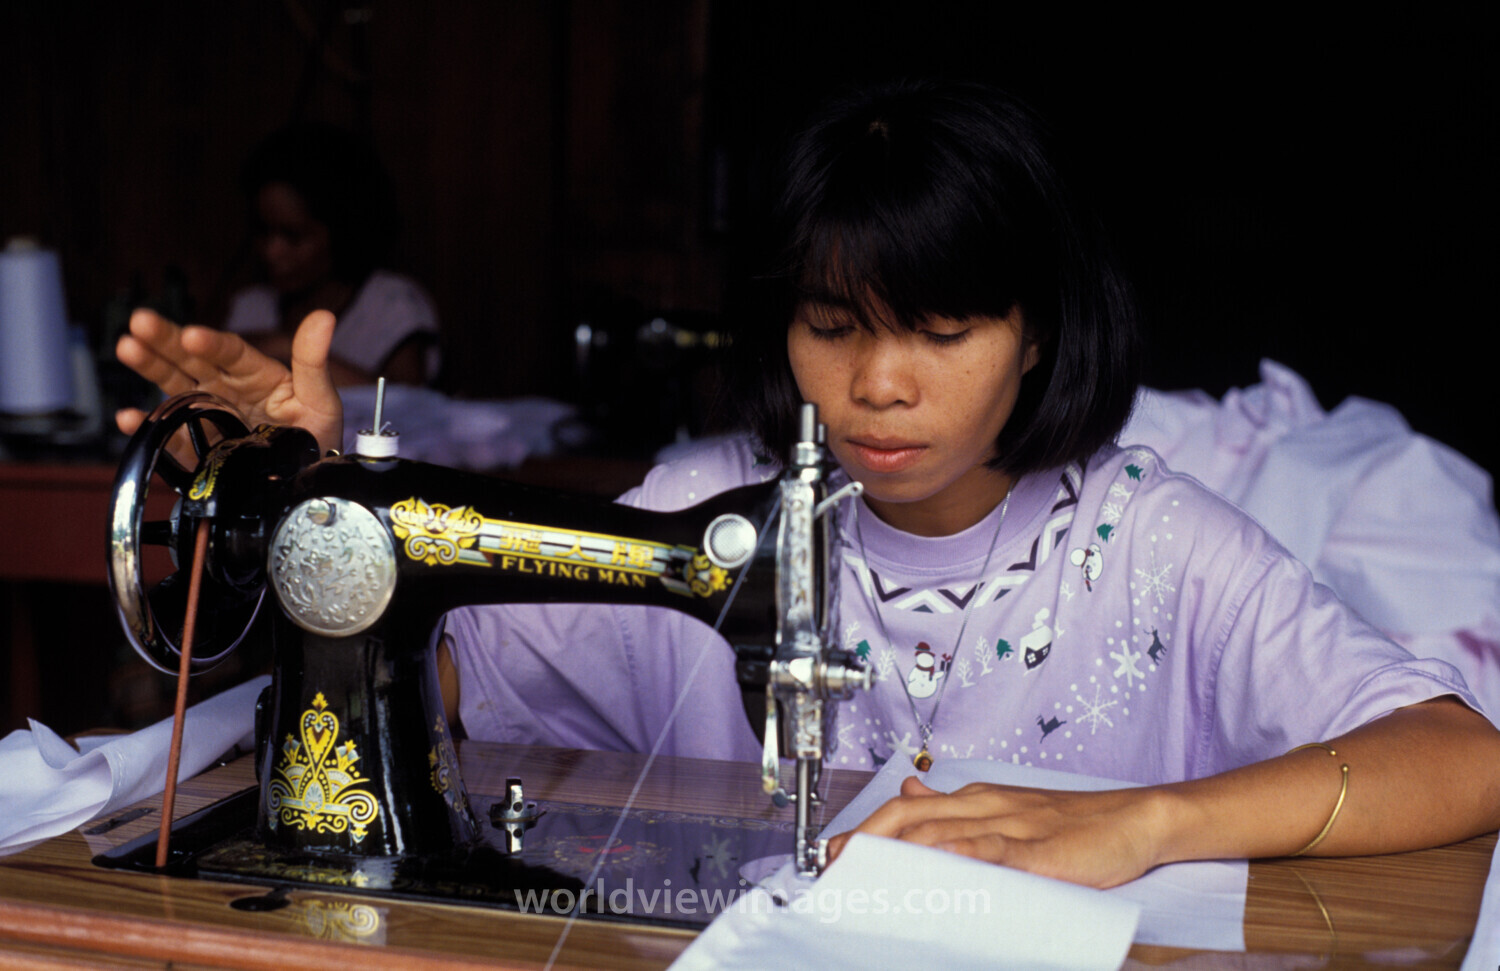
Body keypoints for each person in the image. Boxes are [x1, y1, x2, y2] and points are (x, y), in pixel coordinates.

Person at [114, 80, 1500, 891]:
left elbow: (1463, 755)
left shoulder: (1152, 545)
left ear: (1038, 336)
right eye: (832, 326)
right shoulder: (706, 500)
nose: (879, 383)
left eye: (942, 331)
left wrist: (1143, 821)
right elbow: (436, 680)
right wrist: (308, 515)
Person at [223, 122, 440, 387]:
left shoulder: (390, 304)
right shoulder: (251, 307)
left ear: (342, 231)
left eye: (293, 236)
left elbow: (411, 408)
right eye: (263, 232)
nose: (272, 251)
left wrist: (287, 348)